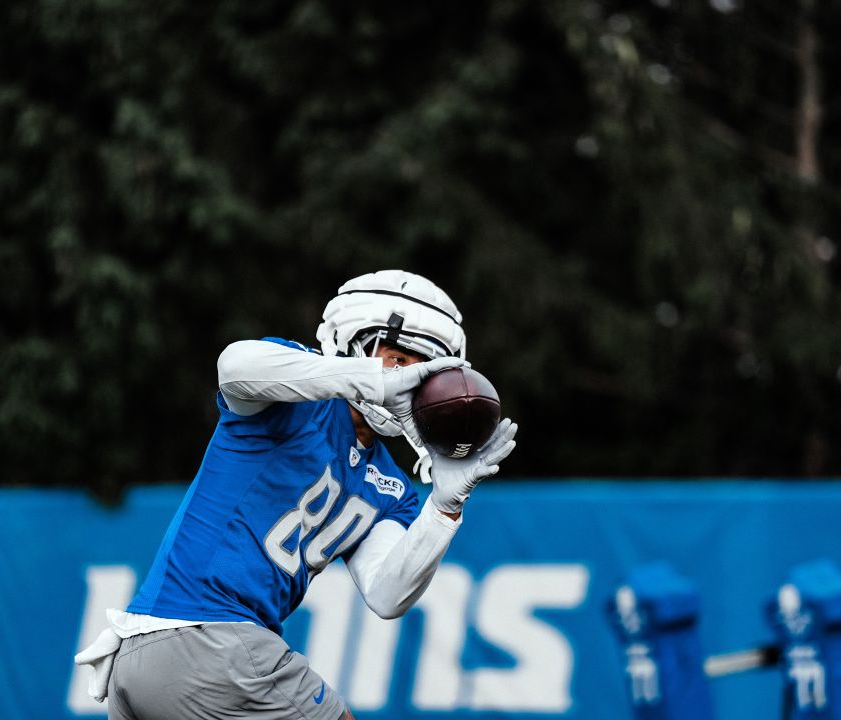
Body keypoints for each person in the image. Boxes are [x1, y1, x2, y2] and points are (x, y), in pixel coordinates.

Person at [75, 269, 519, 720]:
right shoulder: (296, 394)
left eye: (423, 372)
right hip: (210, 636)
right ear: (351, 340)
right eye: (398, 358)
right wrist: (370, 379)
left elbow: (387, 595)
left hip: (147, 658)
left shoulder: (394, 488)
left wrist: (443, 508)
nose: (408, 379)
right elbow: (234, 366)